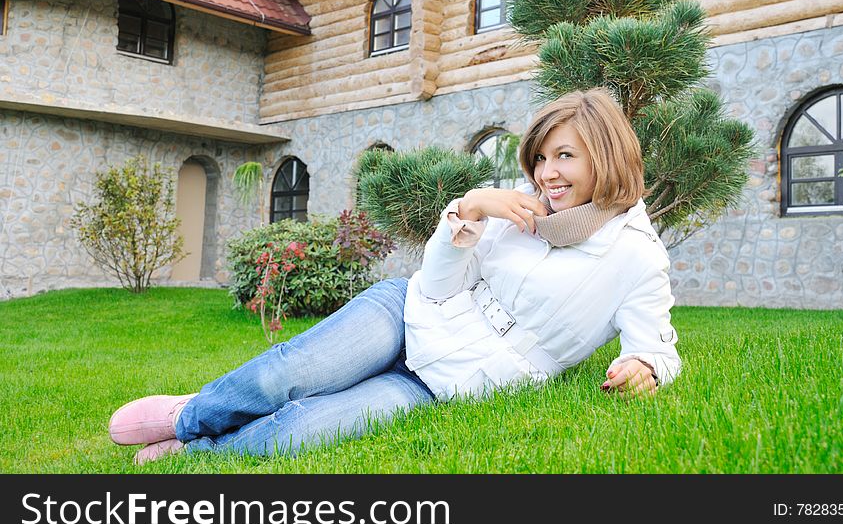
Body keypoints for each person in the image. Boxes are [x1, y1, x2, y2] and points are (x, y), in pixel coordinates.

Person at [109, 88, 682, 464]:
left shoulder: (636, 257)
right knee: (288, 373)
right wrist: (473, 208)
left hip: (449, 381)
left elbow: (657, 346)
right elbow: (436, 285)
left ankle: (198, 450)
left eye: (564, 158)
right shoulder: (519, 208)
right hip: (407, 314)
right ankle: (190, 414)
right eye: (540, 158)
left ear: (605, 158)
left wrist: (643, 367)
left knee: (298, 434)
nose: (545, 174)